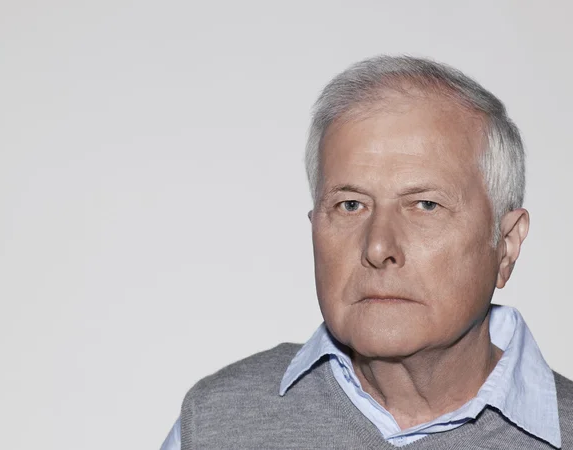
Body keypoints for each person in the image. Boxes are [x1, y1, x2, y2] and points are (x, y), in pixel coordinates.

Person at [160, 55, 573, 449]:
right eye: (350, 205)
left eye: (425, 205)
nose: (378, 247)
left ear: (506, 245)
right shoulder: (217, 422)